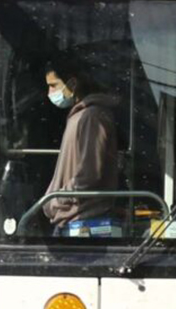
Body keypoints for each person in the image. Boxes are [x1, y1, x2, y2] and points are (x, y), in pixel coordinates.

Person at [41, 57, 120, 235]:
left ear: (73, 83)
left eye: (54, 85)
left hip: (84, 223)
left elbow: (89, 174)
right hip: (71, 219)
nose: (49, 92)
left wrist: (54, 200)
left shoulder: (92, 117)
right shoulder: (80, 116)